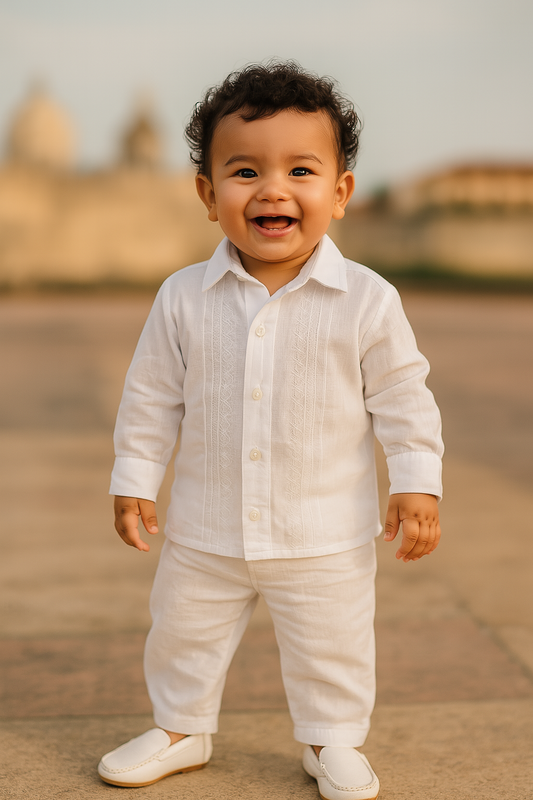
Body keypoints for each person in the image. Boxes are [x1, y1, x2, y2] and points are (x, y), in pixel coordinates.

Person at [97, 61, 443, 800]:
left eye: (302, 170)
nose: (272, 189)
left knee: (332, 647)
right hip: (204, 524)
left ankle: (330, 740)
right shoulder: (183, 297)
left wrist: (416, 482)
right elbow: (151, 396)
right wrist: (133, 480)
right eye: (244, 170)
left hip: (322, 530)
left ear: (340, 193)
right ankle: (180, 727)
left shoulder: (366, 301)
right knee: (181, 632)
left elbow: (402, 395)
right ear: (207, 194)